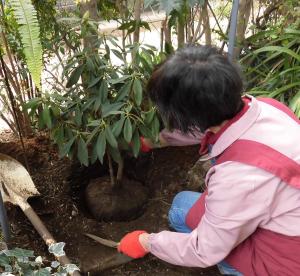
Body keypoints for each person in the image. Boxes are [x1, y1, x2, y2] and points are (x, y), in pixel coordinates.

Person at [118, 45, 300, 276]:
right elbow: (206, 126)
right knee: (183, 205)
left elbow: (204, 250)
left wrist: (147, 242)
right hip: (284, 217)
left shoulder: (238, 177)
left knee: (179, 213)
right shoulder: (266, 107)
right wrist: (155, 141)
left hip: (286, 261)